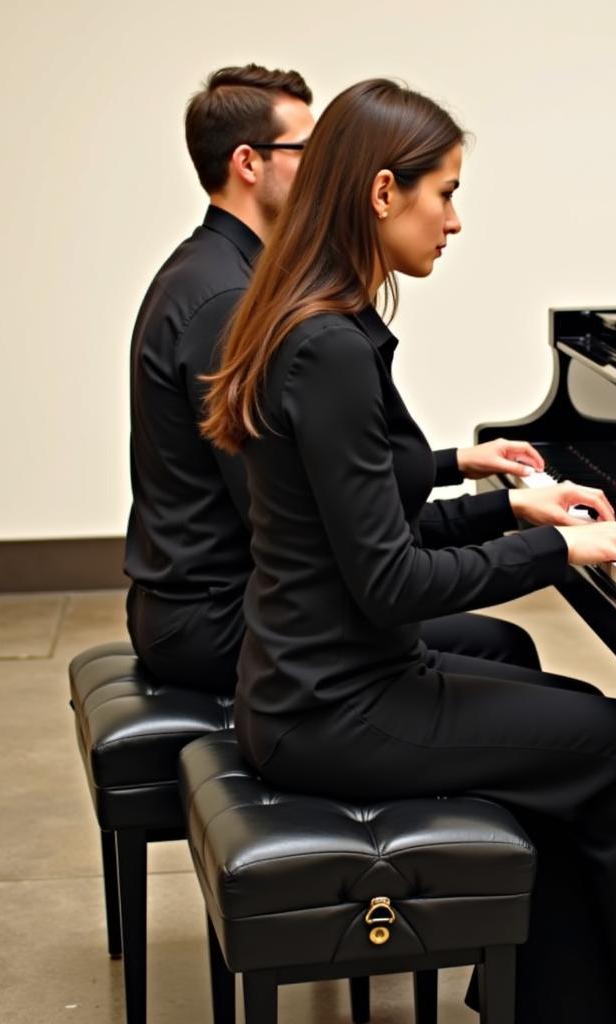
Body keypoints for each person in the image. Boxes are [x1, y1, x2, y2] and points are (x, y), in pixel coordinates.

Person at [202, 78, 616, 1024]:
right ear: (383, 194)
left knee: (581, 741)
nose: (455, 220)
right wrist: (563, 552)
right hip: (336, 705)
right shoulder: (326, 345)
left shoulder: (310, 317)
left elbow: (384, 524)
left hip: (317, 683)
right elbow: (390, 582)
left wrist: (517, 510)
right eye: (444, 192)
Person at [125, 64, 549, 695]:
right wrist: (520, 526)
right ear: (248, 163)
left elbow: (325, 480)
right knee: (504, 654)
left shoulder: (224, 271)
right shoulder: (230, 300)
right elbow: (308, 517)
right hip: (218, 621)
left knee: (505, 649)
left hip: (233, 600)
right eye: (307, 148)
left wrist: (460, 468)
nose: (327, 163)